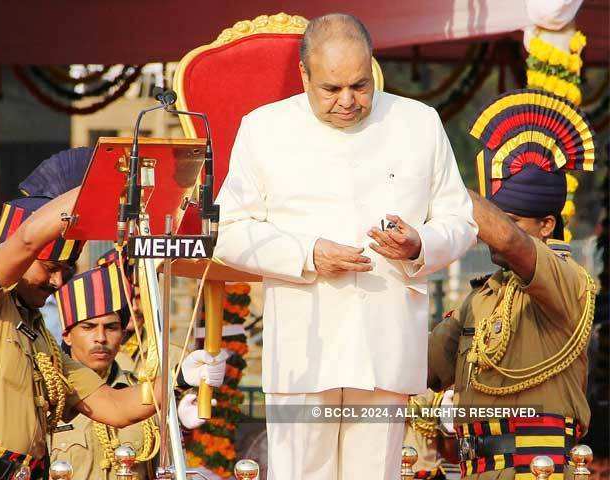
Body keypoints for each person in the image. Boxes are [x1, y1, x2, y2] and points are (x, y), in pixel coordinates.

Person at [214, 13, 476, 480]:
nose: (348, 101)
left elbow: (460, 221)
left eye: (359, 85)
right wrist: (307, 253)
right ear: (304, 76)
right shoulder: (264, 129)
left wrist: (420, 244)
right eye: (331, 89)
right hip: (303, 343)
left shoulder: (418, 123)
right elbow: (228, 230)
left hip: (386, 339)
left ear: (373, 69)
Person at [0, 190, 214, 479]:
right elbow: (27, 239)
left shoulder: (40, 338)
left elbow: (114, 406)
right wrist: (103, 184)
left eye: (66, 270)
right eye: (50, 269)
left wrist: (179, 379)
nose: (58, 281)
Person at [428, 88, 597, 480]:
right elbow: (424, 366)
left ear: (547, 225)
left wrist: (438, 181)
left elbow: (508, 241)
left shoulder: (568, 280)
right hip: (475, 469)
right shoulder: (481, 297)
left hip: (539, 470)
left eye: (512, 220)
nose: (490, 233)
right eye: (495, 218)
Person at [51, 262, 227, 480]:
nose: (101, 338)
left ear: (122, 334)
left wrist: (179, 421)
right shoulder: (49, 396)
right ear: (67, 335)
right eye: (88, 327)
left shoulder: (145, 395)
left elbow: (169, 470)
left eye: (111, 327)